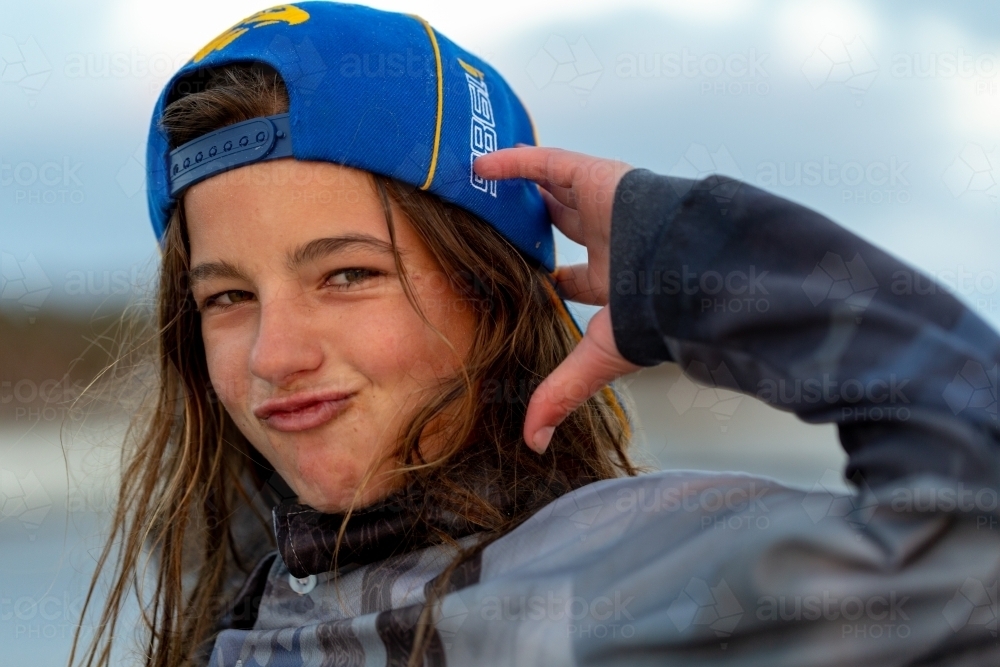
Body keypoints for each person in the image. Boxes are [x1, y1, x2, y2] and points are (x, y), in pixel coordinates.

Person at [73, 3, 1000, 667]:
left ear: (489, 290)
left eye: (348, 274)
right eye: (228, 297)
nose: (274, 355)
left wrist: (693, 254)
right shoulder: (236, 589)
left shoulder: (619, 577)